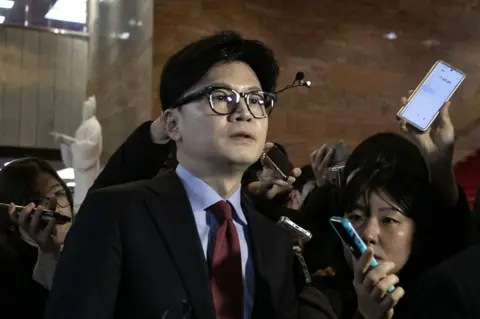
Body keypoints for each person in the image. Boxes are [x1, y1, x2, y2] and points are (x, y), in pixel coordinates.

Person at [45, 31, 299, 319]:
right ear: (173, 125)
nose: (244, 112)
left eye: (256, 100)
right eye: (221, 97)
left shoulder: (275, 244)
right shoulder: (115, 215)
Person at [0, 158, 74, 319]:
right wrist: (48, 253)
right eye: (36, 200)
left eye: (59, 194)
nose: (52, 208)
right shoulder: (6, 261)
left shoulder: (82, 250)